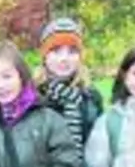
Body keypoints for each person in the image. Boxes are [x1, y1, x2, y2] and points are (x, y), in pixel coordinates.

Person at [36, 17, 104, 151]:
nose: (64, 59)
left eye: (72, 51)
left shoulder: (91, 97)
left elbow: (99, 145)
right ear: (45, 55)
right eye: (56, 51)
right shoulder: (33, 97)